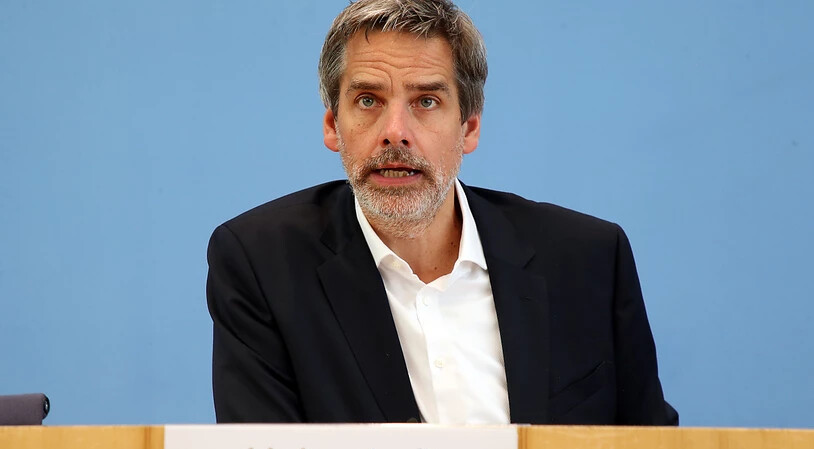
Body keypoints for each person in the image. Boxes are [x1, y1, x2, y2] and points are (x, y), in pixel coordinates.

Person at [206, 0, 678, 425]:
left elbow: (654, 448)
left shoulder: (588, 259)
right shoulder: (263, 265)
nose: (395, 132)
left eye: (426, 101)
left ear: (468, 128)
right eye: (368, 100)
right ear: (333, 126)